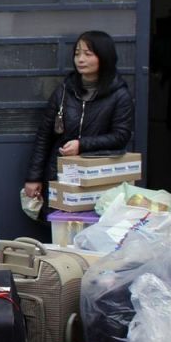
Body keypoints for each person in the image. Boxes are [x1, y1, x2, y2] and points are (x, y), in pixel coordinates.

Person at [22, 31, 133, 214]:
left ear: (104, 57)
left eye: (88, 54)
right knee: (61, 231)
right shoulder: (65, 91)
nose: (80, 59)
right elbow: (44, 136)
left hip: (99, 179)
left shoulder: (119, 95)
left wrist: (82, 145)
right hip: (61, 175)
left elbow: (121, 136)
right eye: (77, 53)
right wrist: (33, 177)